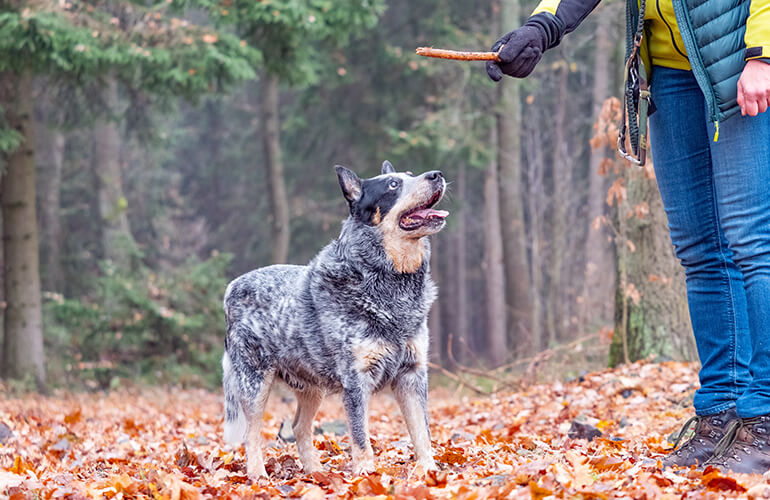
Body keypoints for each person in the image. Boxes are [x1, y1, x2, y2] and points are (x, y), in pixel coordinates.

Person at [487, 0, 770, 473]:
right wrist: (542, 25)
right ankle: (721, 414)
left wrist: (764, 53)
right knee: (701, 251)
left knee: (753, 244)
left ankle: (763, 420)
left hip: (737, 57)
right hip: (670, 71)